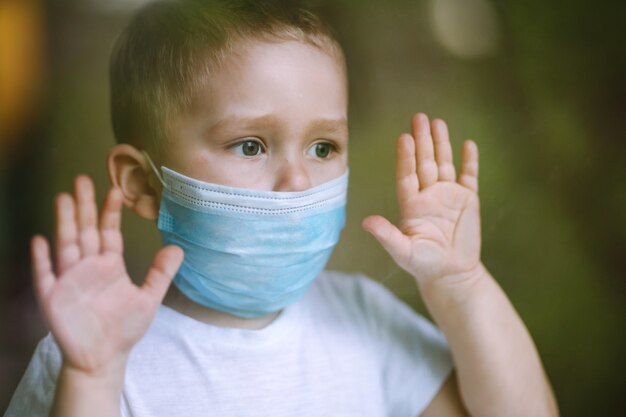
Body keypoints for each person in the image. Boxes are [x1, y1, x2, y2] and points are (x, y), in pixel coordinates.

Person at [5, 1, 559, 416]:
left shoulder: (363, 319)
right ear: (143, 183)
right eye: (250, 145)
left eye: (323, 148)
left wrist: (462, 286)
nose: (297, 181)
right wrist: (93, 381)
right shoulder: (90, 354)